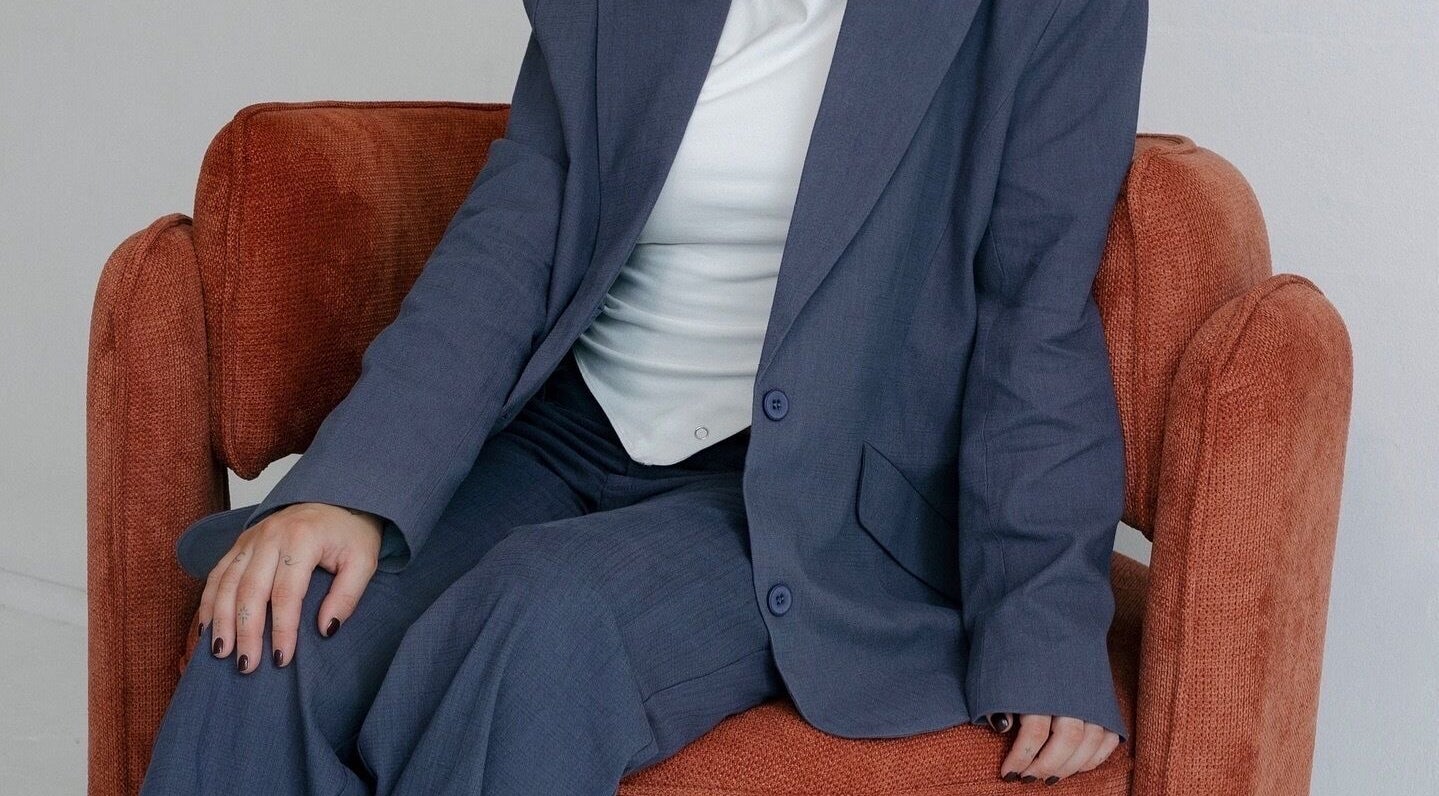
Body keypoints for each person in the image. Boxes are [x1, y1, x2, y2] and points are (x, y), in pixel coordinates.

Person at [142, 0, 1149, 792]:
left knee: (543, 624)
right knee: (271, 628)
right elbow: (514, 237)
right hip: (568, 434)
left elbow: (1034, 311)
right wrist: (355, 489)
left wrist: (1042, 625)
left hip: (811, 493)